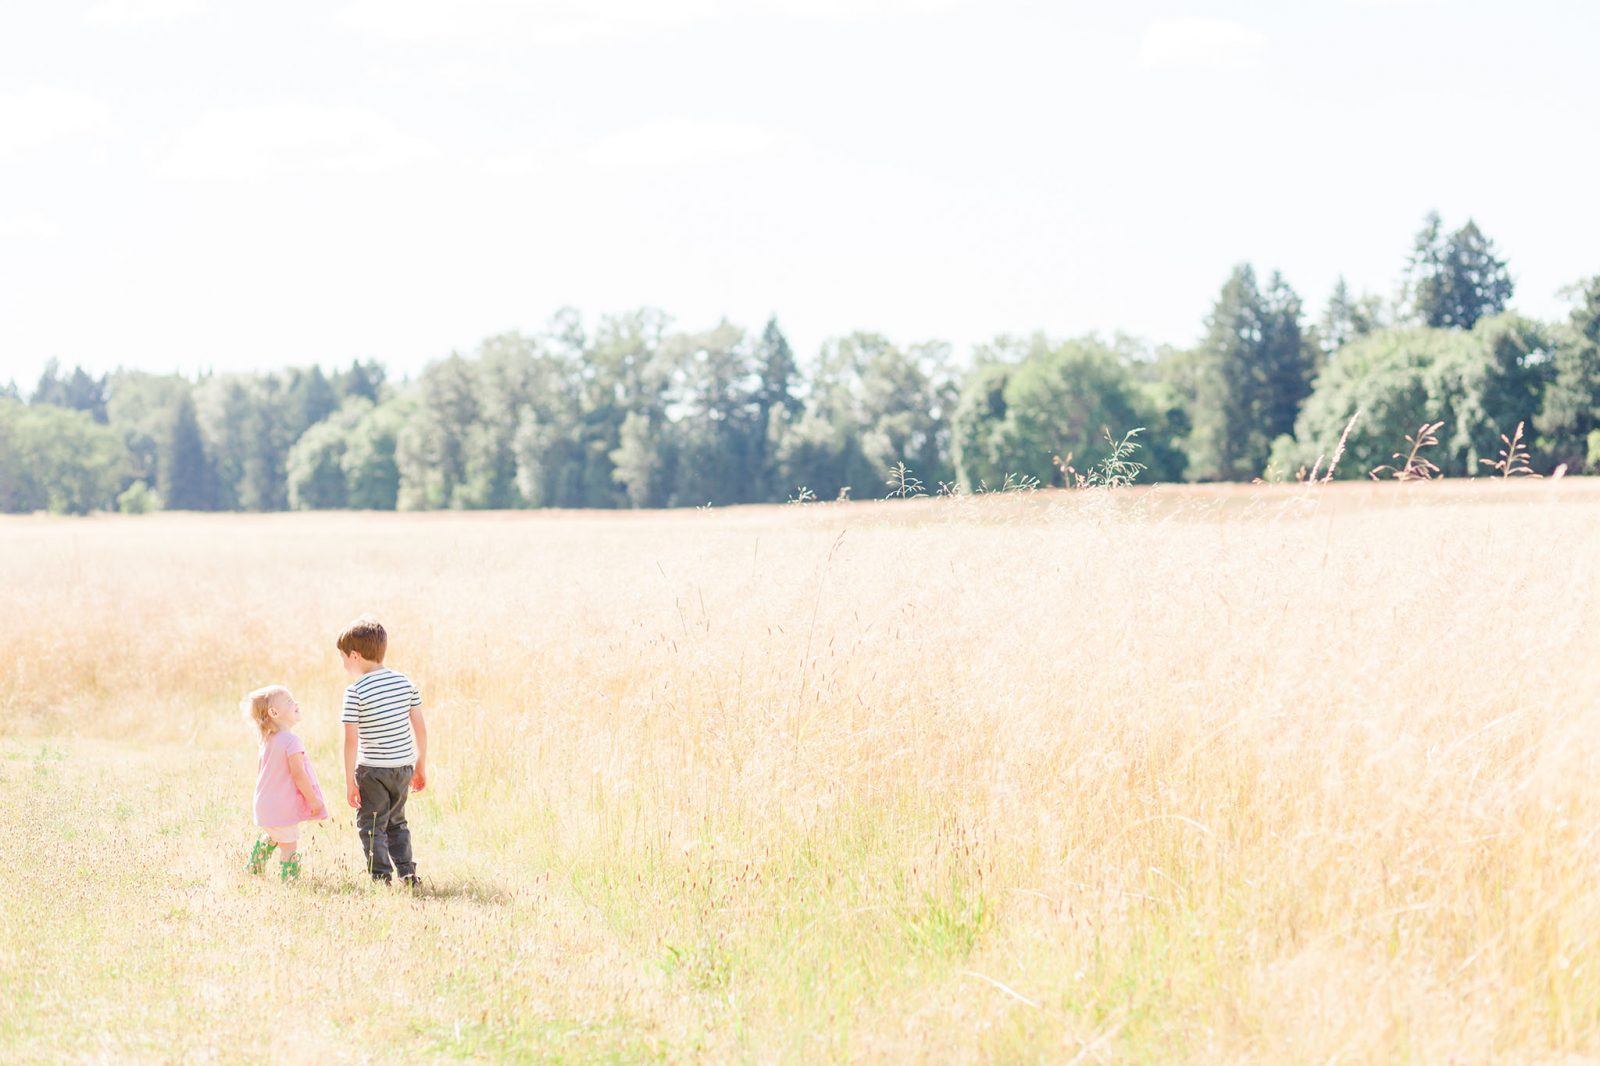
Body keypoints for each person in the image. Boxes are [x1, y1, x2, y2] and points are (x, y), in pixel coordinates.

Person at [337, 618, 428, 886]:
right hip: (403, 767)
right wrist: (420, 764)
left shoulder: (355, 692)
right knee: (397, 822)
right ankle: (407, 872)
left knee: (372, 825)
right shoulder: (405, 683)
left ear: (354, 655)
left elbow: (350, 741)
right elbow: (420, 729)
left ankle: (381, 878)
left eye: (343, 658)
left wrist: (349, 781)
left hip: (373, 770)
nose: (343, 664)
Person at [243, 685, 328, 881]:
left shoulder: (267, 740)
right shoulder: (291, 741)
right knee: (289, 844)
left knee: (274, 834)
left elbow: (260, 772)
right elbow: (299, 774)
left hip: (264, 802)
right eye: (289, 701)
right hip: (281, 806)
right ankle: (290, 881)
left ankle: (255, 866)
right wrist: (313, 800)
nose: (295, 703)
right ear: (274, 712)